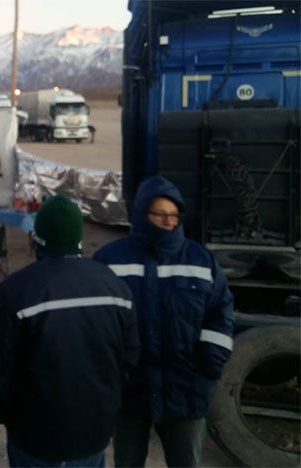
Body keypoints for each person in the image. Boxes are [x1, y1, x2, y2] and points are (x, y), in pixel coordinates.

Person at [0, 195, 139, 467]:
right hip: (94, 432)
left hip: (35, 438)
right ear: (78, 238)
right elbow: (129, 357)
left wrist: (4, 414)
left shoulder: (17, 290)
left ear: (36, 238)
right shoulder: (115, 287)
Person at [93, 176, 234, 467]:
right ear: (142, 214)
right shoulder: (109, 259)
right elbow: (96, 322)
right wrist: (109, 369)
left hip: (186, 389)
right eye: (159, 214)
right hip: (130, 392)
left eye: (173, 215)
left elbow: (220, 313)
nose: (168, 221)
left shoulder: (200, 259)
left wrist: (209, 363)